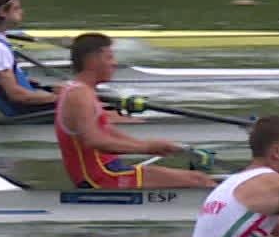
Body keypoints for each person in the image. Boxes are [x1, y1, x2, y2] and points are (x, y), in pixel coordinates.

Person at [55, 33, 213, 189]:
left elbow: (107, 131)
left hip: (109, 170)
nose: (114, 63)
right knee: (200, 181)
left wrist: (149, 145)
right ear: (92, 60)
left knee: (199, 178)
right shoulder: (79, 95)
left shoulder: (81, 90)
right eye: (109, 57)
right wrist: (146, 148)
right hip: (100, 178)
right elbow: (94, 141)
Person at [0, 0, 57, 117]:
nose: (22, 11)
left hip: (29, 105)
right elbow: (16, 95)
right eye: (17, 8)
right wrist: (62, 98)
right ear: (2, 12)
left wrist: (23, 79)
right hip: (28, 113)